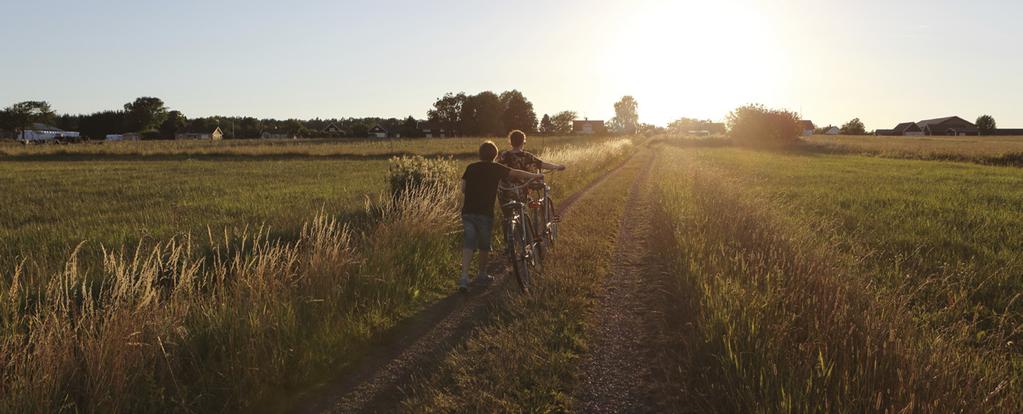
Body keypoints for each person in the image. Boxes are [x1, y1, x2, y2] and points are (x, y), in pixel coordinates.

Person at [460, 140, 544, 291]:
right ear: (495, 155)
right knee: (484, 245)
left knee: (469, 243)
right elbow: (516, 173)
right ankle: (481, 275)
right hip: (485, 213)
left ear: (479, 154)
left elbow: (463, 189)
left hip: (468, 212)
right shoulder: (496, 168)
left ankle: (464, 277)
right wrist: (534, 176)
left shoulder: (470, 167)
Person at [497, 130, 566, 204]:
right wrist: (557, 166)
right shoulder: (527, 156)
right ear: (523, 142)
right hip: (521, 191)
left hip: (505, 192)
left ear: (510, 142)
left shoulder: (504, 155)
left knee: (509, 212)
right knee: (525, 204)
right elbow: (542, 164)